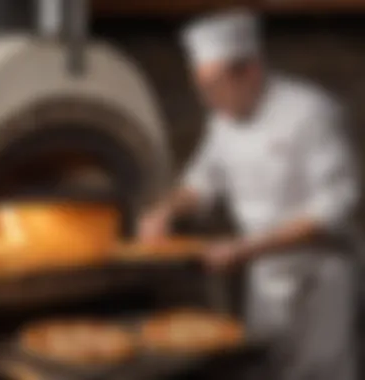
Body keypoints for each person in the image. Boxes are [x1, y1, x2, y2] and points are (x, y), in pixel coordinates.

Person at [138, 10, 359, 380]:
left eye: (213, 86)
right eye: (201, 88)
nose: (207, 100)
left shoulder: (311, 112)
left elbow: (335, 207)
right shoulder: (223, 120)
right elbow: (200, 182)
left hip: (321, 277)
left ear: (250, 71)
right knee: (267, 368)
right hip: (266, 275)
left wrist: (245, 250)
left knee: (321, 373)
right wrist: (164, 211)